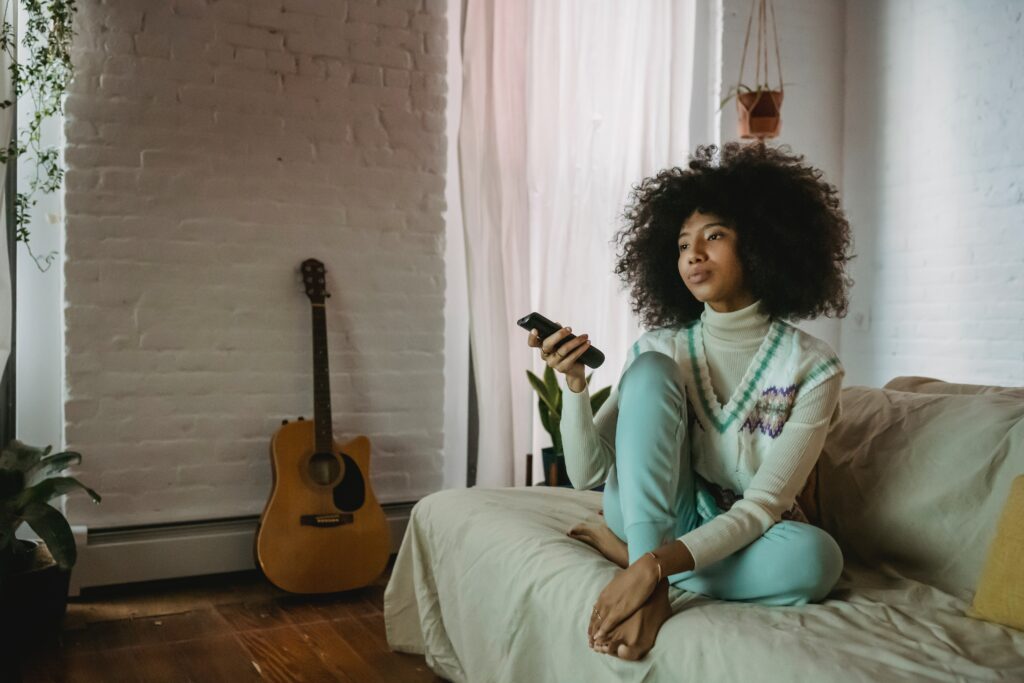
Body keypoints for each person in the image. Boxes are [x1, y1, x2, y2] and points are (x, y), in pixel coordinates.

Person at [526, 142, 854, 661]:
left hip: (740, 529)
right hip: (653, 513)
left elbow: (765, 505)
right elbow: (588, 472)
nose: (693, 255)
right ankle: (650, 578)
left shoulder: (812, 367)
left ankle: (635, 560)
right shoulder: (659, 347)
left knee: (817, 560)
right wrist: (574, 388)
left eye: (714, 236)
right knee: (654, 372)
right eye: (681, 245)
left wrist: (651, 565)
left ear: (763, 244)